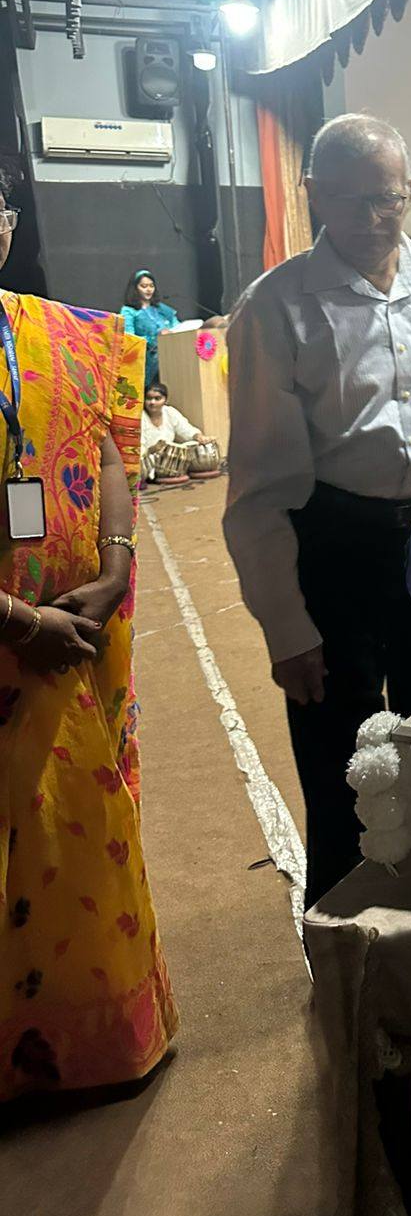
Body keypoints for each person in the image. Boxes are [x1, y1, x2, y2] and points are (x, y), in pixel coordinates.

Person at [223, 114, 411, 909]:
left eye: (387, 199)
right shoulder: (276, 307)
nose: (371, 219)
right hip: (333, 546)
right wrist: (285, 626)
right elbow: (259, 489)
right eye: (350, 200)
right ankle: (338, 934)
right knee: (344, 767)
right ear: (312, 193)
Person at [0, 180, 176, 1100]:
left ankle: (94, 1041)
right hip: (24, 635)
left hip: (75, 634)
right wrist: (18, 622)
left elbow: (110, 447)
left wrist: (112, 572)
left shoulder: (62, 333)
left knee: (77, 826)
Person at [140, 380, 215, 482]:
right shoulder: (141, 417)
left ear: (165, 400)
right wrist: (152, 449)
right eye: (148, 398)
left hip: (170, 459)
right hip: (148, 462)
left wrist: (198, 437)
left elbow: (186, 429)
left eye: (157, 398)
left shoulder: (170, 412)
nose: (152, 402)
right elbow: (139, 449)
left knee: (196, 445)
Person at [120, 269, 179, 386]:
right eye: (144, 286)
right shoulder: (129, 310)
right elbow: (129, 338)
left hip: (170, 353)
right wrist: (155, 338)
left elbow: (176, 325)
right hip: (146, 358)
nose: (149, 289)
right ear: (135, 288)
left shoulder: (160, 307)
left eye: (151, 286)